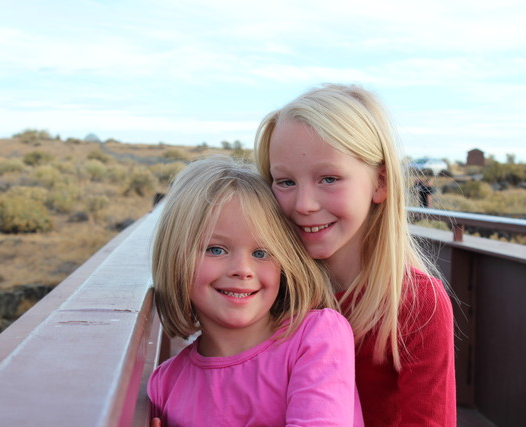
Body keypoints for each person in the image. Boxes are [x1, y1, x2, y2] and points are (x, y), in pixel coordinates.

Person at [255, 84, 456, 426]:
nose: (304, 205)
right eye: (285, 182)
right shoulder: (268, 289)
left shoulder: (416, 304)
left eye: (329, 178)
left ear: (380, 183)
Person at [148, 155, 363, 426]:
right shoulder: (165, 383)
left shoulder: (316, 338)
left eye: (261, 253)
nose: (243, 269)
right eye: (216, 249)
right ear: (175, 258)